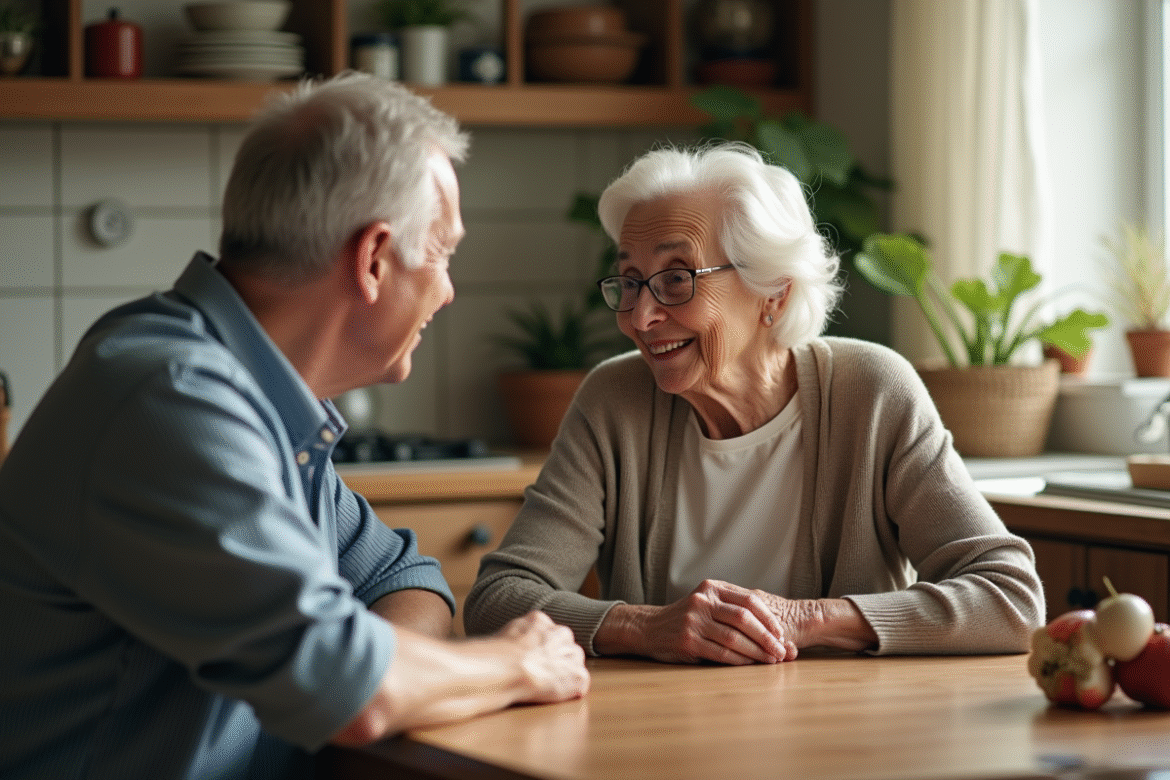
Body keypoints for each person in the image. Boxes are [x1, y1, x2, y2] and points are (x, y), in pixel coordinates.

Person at [0, 73, 588, 780]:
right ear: (373, 260)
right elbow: (350, 693)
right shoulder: (173, 400)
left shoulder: (256, 397)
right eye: (441, 253)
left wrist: (380, 670)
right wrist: (515, 662)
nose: (448, 289)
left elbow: (406, 579)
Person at [464, 142, 1045, 664]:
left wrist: (807, 618)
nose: (641, 317)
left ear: (774, 290)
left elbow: (1010, 597)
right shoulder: (615, 402)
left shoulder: (871, 393)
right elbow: (499, 597)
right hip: (661, 736)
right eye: (631, 281)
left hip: (849, 736)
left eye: (677, 279)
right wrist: (644, 627)